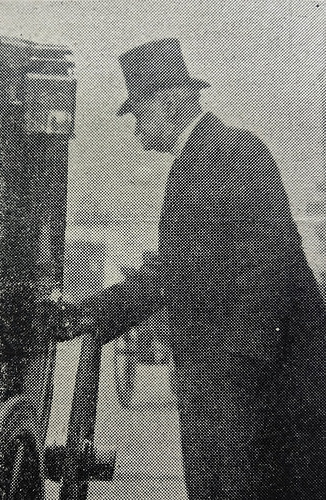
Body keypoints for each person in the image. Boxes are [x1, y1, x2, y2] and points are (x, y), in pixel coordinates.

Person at [68, 39, 325, 499]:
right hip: (226, 380)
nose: (137, 129)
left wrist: (233, 389)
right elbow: (180, 270)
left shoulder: (225, 153)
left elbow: (267, 271)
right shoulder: (207, 155)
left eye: (139, 112)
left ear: (170, 102)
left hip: (243, 384)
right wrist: (88, 316)